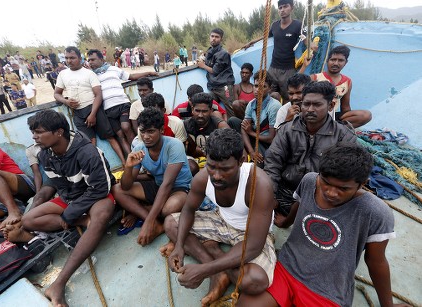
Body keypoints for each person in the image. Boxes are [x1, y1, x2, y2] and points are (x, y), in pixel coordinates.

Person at [238, 143, 407, 307]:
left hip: (328, 290)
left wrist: (388, 305)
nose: (331, 192)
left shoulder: (375, 212)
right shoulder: (310, 181)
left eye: (343, 188)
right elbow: (299, 204)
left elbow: (376, 262)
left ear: (362, 184)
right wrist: (286, 221)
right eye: (325, 182)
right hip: (286, 268)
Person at [4, 109, 116, 307]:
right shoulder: (46, 155)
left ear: (59, 132)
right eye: (33, 132)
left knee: (101, 214)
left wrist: (69, 213)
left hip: (95, 195)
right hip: (71, 198)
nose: (34, 136)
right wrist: (44, 204)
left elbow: (100, 188)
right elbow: (56, 185)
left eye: (39, 131)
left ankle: (58, 283)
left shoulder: (86, 152)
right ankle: (83, 221)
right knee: (28, 220)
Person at [162, 128, 277, 306]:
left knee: (254, 281)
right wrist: (178, 247)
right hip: (221, 221)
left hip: (251, 233)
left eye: (225, 169)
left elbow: (254, 246)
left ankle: (213, 253)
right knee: (170, 223)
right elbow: (188, 210)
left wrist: (203, 270)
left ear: (241, 161)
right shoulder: (202, 178)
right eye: (211, 166)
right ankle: (218, 269)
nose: (216, 175)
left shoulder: (259, 184)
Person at [264, 81, 356, 226]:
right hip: (286, 191)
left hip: (321, 197)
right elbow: (273, 163)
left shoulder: (343, 136)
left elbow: (346, 175)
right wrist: (270, 197)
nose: (310, 109)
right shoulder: (287, 130)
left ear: (330, 106)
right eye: (306, 104)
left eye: (317, 105)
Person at [114, 107, 192, 246]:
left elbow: (168, 184)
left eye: (151, 131)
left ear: (161, 130)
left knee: (169, 209)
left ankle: (146, 216)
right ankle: (154, 220)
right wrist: (129, 166)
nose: (146, 136)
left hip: (180, 188)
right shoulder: (138, 149)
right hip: (158, 186)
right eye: (142, 132)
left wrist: (147, 223)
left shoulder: (174, 145)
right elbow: (126, 186)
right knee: (117, 189)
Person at [54, 46, 126, 165]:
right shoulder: (63, 74)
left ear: (80, 59)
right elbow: (56, 94)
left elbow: (98, 95)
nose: (69, 61)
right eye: (66, 58)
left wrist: (93, 114)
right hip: (78, 113)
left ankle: (124, 163)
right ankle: (98, 168)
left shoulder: (89, 74)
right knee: (90, 143)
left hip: (94, 110)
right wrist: (66, 101)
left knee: (110, 137)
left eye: (72, 58)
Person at [87, 49, 158, 155]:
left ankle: (141, 154)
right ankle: (133, 158)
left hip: (122, 104)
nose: (90, 62)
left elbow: (131, 77)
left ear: (101, 59)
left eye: (93, 59)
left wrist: (148, 72)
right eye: (89, 60)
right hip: (108, 109)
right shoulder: (91, 76)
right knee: (120, 135)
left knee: (126, 128)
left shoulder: (113, 69)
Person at [228, 71, 281, 167]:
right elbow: (244, 128)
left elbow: (271, 138)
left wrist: (250, 132)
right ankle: (244, 150)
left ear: (269, 89)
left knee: (257, 165)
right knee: (232, 121)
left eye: (263, 87)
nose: (258, 90)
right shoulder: (251, 104)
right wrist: (251, 151)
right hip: (256, 136)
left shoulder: (274, 106)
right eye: (256, 86)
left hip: (267, 143)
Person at [311, 45, 372, 128]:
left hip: (334, 116)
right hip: (316, 115)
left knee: (366, 115)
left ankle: (335, 129)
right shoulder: (315, 78)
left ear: (345, 62)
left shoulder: (347, 82)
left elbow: (345, 107)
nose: (336, 63)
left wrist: (349, 121)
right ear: (327, 61)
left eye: (340, 60)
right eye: (333, 60)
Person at [197, 28, 235, 117]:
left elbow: (214, 71)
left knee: (230, 108)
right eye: (212, 36)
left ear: (221, 39)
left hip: (224, 86)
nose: (214, 38)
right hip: (213, 87)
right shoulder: (210, 51)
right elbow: (208, 62)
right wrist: (202, 60)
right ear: (209, 37)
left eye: (217, 37)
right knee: (206, 105)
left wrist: (202, 65)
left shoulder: (223, 53)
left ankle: (234, 127)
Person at [184, 92, 230, 158]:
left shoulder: (220, 126)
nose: (200, 115)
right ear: (192, 109)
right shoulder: (185, 125)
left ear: (211, 110)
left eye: (204, 111)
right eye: (197, 111)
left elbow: (229, 148)